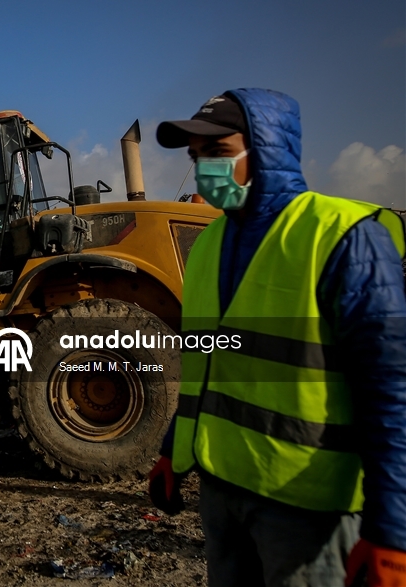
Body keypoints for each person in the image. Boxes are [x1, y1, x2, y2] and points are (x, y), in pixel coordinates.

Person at [148, 89, 406, 587]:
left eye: (218, 154)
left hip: (308, 506)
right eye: (196, 158)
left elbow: (391, 390)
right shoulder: (206, 249)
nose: (205, 170)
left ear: (265, 150)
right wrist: (171, 453)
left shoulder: (344, 237)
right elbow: (204, 370)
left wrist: (391, 527)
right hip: (222, 492)